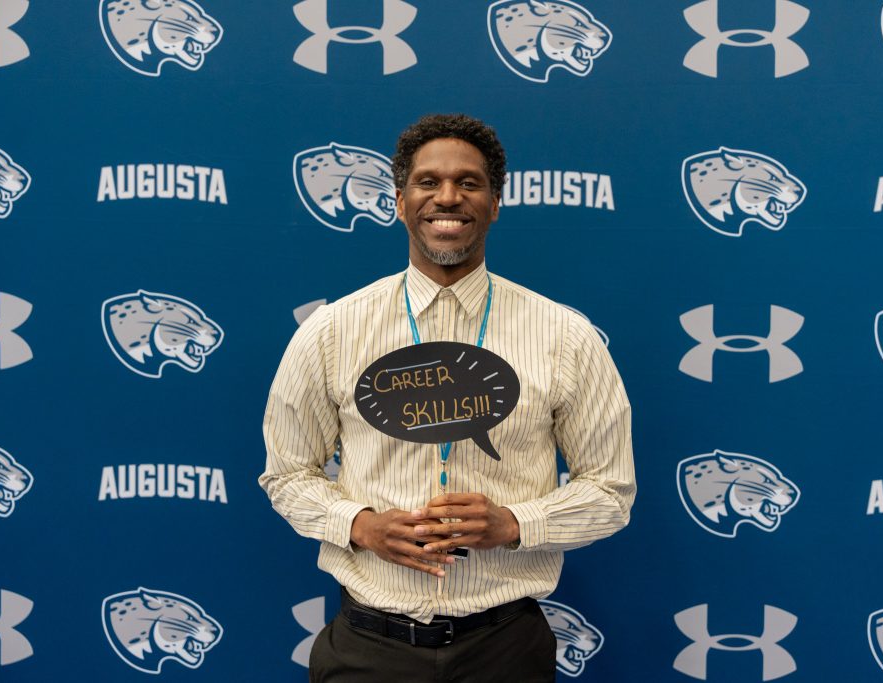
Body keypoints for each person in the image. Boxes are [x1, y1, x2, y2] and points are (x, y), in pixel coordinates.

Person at [260, 113, 635, 682]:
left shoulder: (565, 337)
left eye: (469, 182)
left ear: (495, 203)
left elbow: (610, 491)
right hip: (369, 648)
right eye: (428, 182)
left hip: (504, 649)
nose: (448, 197)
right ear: (400, 201)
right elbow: (286, 474)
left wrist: (514, 523)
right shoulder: (332, 332)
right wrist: (360, 525)